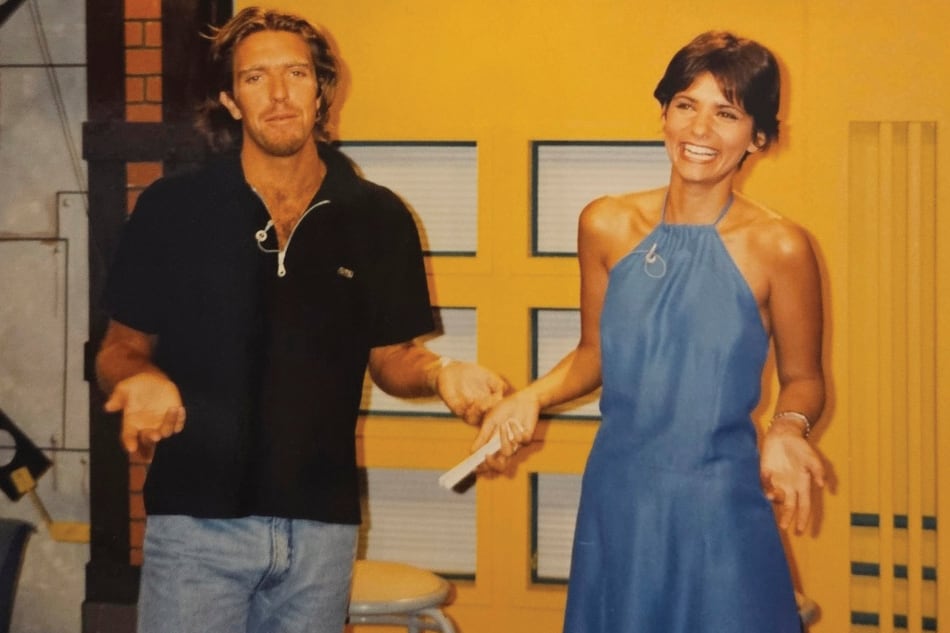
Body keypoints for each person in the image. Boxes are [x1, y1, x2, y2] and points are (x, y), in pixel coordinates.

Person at [95, 7, 507, 633]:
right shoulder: (172, 209)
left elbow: (393, 356)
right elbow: (119, 347)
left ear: (321, 91)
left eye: (296, 73)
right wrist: (139, 377)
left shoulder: (378, 217)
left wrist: (443, 372)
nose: (279, 94)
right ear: (230, 100)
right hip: (196, 527)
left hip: (322, 531)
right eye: (255, 78)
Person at [475, 31, 826, 632]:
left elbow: (804, 379)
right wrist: (530, 396)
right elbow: (593, 354)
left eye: (727, 113)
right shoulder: (605, 224)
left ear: (757, 137)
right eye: (686, 105)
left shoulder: (781, 246)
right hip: (619, 497)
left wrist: (788, 429)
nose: (700, 129)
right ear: (664, 113)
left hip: (720, 500)